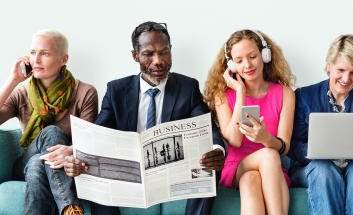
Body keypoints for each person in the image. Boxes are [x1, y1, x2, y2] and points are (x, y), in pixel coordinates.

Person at [63, 21, 225, 215]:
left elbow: (209, 130)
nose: (158, 60)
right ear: (135, 55)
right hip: (128, 173)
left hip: (172, 171)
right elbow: (98, 135)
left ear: (170, 51)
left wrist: (217, 151)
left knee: (209, 169)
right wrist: (78, 158)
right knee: (95, 171)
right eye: (149, 54)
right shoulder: (116, 90)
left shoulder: (187, 88)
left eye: (164, 52)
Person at [0, 30, 98, 215]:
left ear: (63, 59)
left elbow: (88, 141)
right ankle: (70, 207)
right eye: (32, 52)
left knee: (39, 163)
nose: (36, 59)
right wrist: (13, 80)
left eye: (44, 53)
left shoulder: (85, 92)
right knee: (51, 132)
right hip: (24, 163)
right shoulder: (23, 92)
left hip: (68, 164)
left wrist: (69, 152)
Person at [288, 34, 353, 215]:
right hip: (313, 167)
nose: (346, 78)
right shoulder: (304, 96)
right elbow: (293, 144)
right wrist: (318, 152)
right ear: (328, 66)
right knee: (323, 170)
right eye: (340, 70)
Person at [204, 29, 295, 215]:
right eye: (239, 61)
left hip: (272, 170)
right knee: (269, 155)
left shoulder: (285, 94)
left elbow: (284, 147)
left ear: (265, 55)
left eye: (253, 56)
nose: (247, 65)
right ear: (231, 65)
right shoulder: (222, 96)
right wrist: (240, 93)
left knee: (252, 179)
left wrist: (266, 138)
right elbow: (234, 141)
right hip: (237, 166)